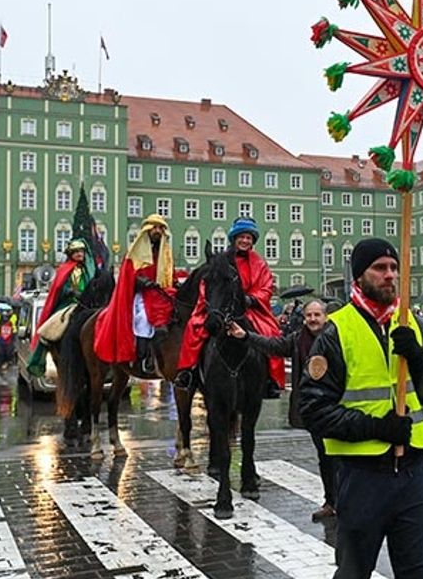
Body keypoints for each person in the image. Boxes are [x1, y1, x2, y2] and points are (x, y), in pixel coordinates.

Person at [299, 238, 423, 579]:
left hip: (413, 477)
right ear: (360, 275)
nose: (389, 275)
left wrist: (418, 357)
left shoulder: (413, 324)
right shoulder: (336, 330)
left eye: (393, 267)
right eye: (380, 268)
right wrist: (378, 427)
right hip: (362, 477)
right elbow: (312, 408)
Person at [229, 299, 338, 520]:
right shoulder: (299, 339)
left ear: (325, 317)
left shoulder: (337, 338)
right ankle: (332, 502)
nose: (313, 319)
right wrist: (246, 336)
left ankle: (346, 501)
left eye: (317, 315)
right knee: (325, 456)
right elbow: (274, 346)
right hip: (314, 408)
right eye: (309, 315)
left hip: (337, 405)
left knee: (340, 457)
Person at [176, 217, 285, 395]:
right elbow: (207, 283)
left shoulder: (260, 263)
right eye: (241, 236)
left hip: (249, 309)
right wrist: (213, 303)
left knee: (270, 331)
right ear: (234, 238)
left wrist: (251, 299)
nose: (245, 240)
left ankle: (270, 379)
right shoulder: (221, 260)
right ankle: (189, 372)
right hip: (220, 306)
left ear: (253, 241)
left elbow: (266, 287)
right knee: (194, 328)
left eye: (249, 237)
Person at [95, 214, 175, 373]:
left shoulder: (164, 253)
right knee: (143, 319)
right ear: (148, 230)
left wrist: (175, 280)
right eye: (155, 227)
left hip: (161, 293)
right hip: (142, 295)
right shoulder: (134, 252)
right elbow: (128, 275)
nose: (158, 231)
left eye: (161, 228)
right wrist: (142, 282)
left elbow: (169, 273)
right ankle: (143, 357)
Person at [28, 239, 94, 377]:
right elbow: (59, 288)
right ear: (71, 254)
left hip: (87, 304)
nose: (79, 254)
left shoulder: (89, 270)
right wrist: (69, 291)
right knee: (49, 328)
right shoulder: (64, 269)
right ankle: (41, 354)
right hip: (68, 303)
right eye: (76, 252)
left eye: (81, 251)